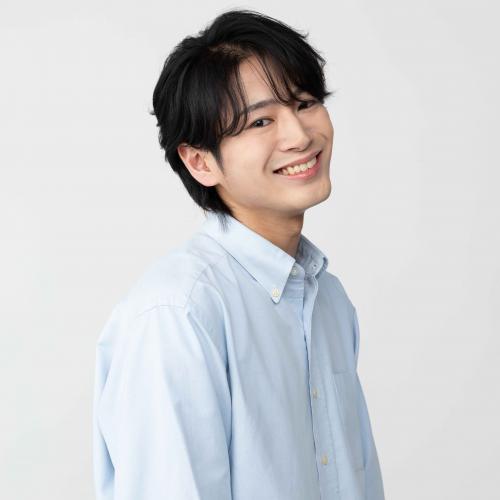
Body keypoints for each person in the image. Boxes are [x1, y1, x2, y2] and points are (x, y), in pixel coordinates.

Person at [92, 8, 385, 500]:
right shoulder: (180, 314)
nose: (300, 136)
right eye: (261, 120)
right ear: (200, 161)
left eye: (306, 103)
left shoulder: (328, 298)